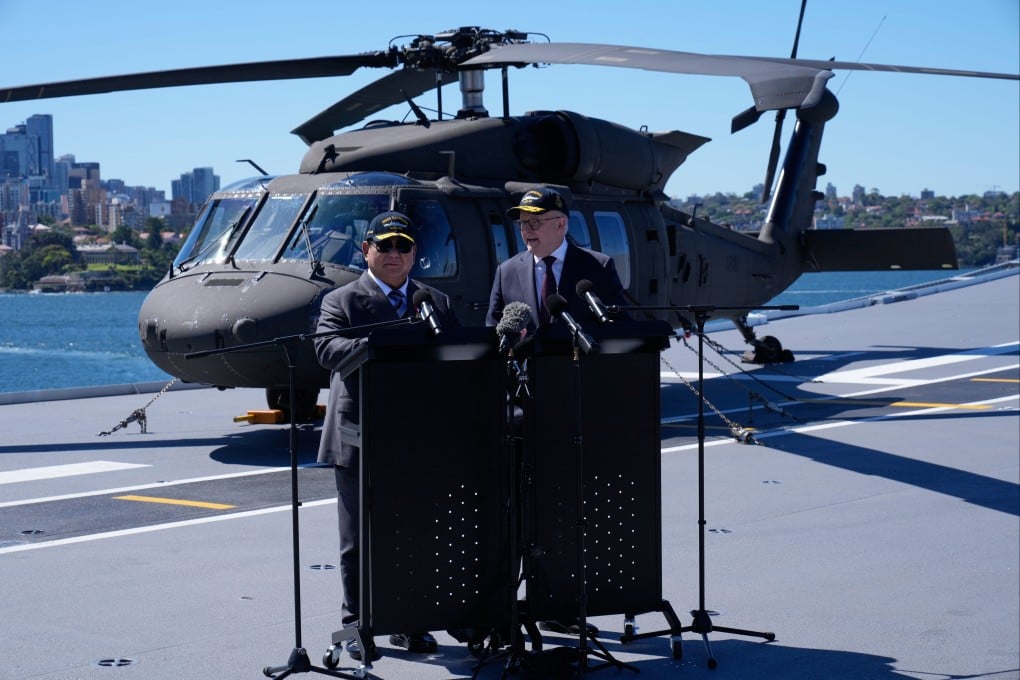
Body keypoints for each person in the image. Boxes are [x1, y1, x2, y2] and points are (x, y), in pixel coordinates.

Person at [314, 210, 459, 662]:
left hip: (417, 438)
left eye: (403, 247)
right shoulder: (342, 300)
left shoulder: (434, 300)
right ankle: (357, 625)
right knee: (359, 540)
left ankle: (409, 621)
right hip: (360, 435)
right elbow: (327, 349)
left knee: (415, 532)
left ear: (415, 254)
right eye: (385, 246)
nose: (394, 254)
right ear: (367, 251)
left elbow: (452, 358)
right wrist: (381, 345)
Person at [486, 186, 629, 330]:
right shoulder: (506, 272)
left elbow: (620, 327)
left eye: (535, 222)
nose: (526, 230)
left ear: (560, 225)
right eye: (522, 223)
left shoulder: (598, 266)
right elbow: (493, 331)